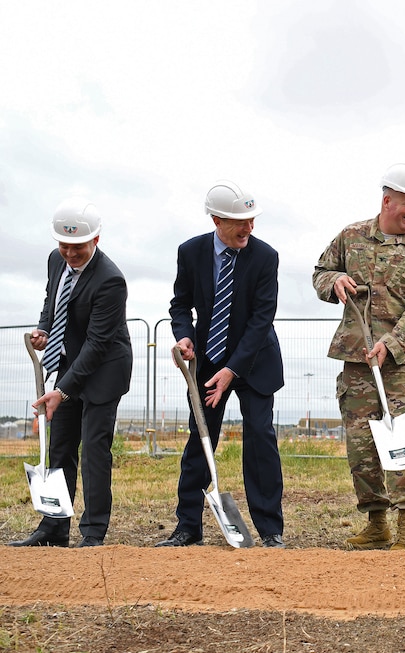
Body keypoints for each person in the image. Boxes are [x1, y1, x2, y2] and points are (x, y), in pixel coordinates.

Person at [313, 163, 405, 551]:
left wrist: (392, 344)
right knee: (362, 446)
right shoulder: (350, 237)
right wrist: (333, 281)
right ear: (387, 200)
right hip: (357, 363)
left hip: (402, 365)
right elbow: (321, 270)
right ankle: (376, 523)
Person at [158, 180, 286, 548]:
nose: (248, 228)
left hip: (254, 361)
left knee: (260, 438)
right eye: (239, 221)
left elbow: (262, 319)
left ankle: (270, 530)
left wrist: (233, 371)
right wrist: (184, 336)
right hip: (206, 361)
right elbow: (180, 305)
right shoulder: (191, 252)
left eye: (251, 219)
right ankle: (187, 527)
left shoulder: (265, 257)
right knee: (200, 437)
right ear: (216, 219)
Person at [9, 199, 133, 548]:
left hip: (104, 369)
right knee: (60, 446)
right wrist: (44, 328)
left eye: (77, 247)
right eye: (63, 245)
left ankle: (93, 531)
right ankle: (53, 526)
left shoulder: (111, 281)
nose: (70, 253)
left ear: (95, 240)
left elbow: (96, 346)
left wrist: (61, 391)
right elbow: (53, 300)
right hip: (68, 364)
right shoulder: (55, 260)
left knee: (94, 448)